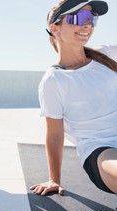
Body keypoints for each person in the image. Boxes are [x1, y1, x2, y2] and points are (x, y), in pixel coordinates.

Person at [31, 0, 117, 196]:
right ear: (55, 29)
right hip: (101, 151)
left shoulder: (108, 55)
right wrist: (54, 179)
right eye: (77, 18)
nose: (86, 24)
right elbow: (54, 135)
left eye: (90, 18)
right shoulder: (54, 80)